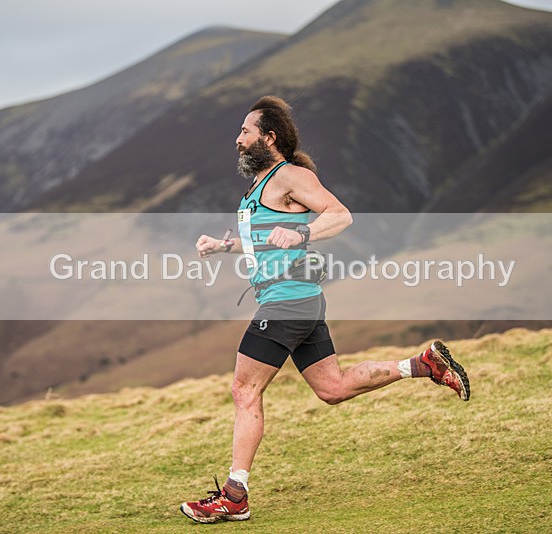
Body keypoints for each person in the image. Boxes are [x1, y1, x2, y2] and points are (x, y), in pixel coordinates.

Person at [180, 96, 470, 523]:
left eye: (245, 131)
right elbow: (268, 237)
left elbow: (341, 215)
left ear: (269, 137)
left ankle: (234, 495)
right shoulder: (260, 187)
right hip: (297, 300)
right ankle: (422, 364)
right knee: (332, 388)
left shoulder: (290, 176)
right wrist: (225, 245)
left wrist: (303, 236)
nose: (237, 140)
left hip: (288, 300)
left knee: (244, 390)